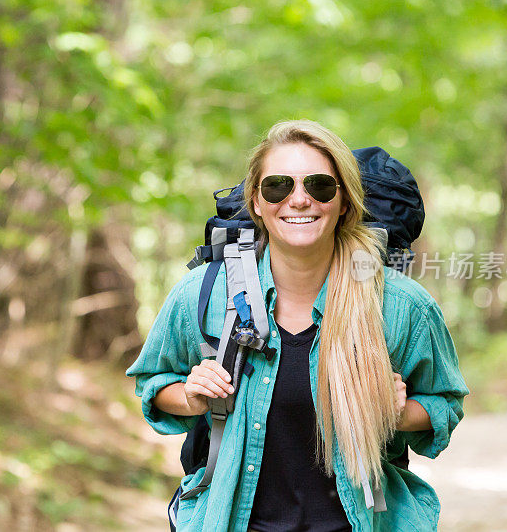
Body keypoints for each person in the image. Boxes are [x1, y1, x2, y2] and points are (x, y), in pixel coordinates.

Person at [126, 119, 469, 532]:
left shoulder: (399, 306)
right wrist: (191, 397)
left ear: (344, 202)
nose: (299, 200)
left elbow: (444, 403)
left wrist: (393, 413)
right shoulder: (206, 293)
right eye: (278, 186)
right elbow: (151, 383)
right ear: (256, 201)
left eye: (320, 186)